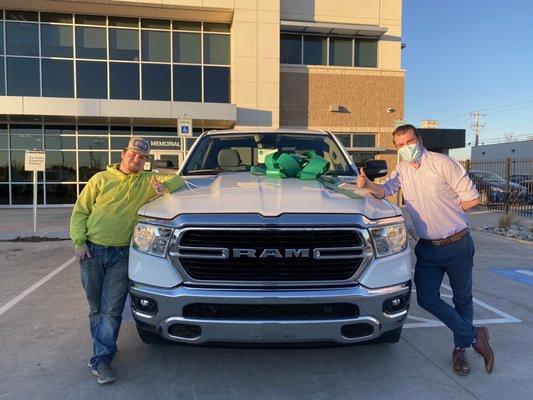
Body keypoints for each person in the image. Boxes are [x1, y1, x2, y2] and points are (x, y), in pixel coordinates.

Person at [356, 124, 494, 375]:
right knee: (427, 298)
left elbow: (472, 197)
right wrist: (367, 185)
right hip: (428, 248)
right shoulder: (403, 170)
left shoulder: (443, 164)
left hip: (457, 244)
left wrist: (449, 212)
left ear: (419, 139)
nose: (406, 148)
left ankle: (460, 350)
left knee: (463, 299)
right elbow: (384, 190)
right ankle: (475, 336)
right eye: (400, 145)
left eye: (409, 142)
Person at [70, 137, 184, 384]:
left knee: (111, 310)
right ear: (123, 154)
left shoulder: (147, 181)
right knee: (96, 308)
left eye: (142, 157)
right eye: (133, 154)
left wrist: (166, 188)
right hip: (92, 251)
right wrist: (79, 243)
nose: (136, 159)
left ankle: (101, 358)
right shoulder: (100, 180)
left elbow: (178, 179)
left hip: (122, 255)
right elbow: (80, 212)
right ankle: (104, 347)